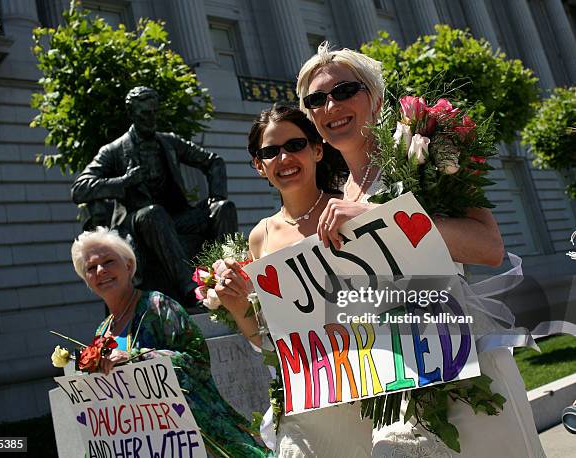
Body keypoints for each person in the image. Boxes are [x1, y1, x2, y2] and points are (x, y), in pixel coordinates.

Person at [296, 42, 545, 457]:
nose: (330, 105)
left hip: (465, 363)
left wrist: (374, 214)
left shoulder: (424, 150)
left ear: (375, 98)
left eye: (344, 91)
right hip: (391, 378)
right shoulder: (333, 200)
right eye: (316, 99)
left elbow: (488, 247)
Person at [216, 105, 376, 457]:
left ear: (317, 150)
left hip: (374, 389)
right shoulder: (260, 238)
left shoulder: (350, 210)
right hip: (308, 399)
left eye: (295, 145)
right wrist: (238, 305)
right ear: (259, 166)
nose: (284, 157)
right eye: (270, 152)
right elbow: (266, 339)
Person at [70, 227, 269, 457]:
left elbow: (198, 364)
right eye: (91, 268)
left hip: (193, 437)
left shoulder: (156, 306)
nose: (101, 271)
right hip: (145, 445)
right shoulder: (102, 330)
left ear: (128, 265)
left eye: (108, 261)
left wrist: (137, 357)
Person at [71, 86, 238, 309]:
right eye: (144, 114)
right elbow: (80, 189)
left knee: (223, 208)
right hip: (140, 224)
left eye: (153, 113)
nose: (150, 119)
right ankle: (191, 289)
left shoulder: (168, 142)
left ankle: (228, 277)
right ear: (132, 114)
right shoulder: (114, 150)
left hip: (176, 218)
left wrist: (216, 197)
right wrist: (123, 182)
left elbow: (213, 161)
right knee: (153, 213)